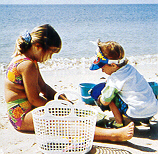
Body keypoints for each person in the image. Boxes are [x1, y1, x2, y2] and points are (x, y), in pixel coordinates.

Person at [5, 25, 134, 142]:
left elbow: (44, 87)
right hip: (22, 117)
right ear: (38, 47)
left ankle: (98, 129)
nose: (50, 57)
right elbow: (33, 99)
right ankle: (113, 135)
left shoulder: (30, 61)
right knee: (67, 124)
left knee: (68, 113)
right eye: (50, 53)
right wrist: (58, 108)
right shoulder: (27, 65)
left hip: (28, 110)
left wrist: (64, 101)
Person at [90, 40, 158, 128]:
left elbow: (105, 101)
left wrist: (100, 99)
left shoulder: (114, 79)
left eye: (102, 67)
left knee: (108, 95)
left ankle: (118, 122)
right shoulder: (130, 69)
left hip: (136, 114)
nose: (102, 70)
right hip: (153, 110)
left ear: (113, 65)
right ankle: (145, 120)